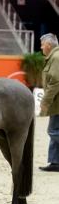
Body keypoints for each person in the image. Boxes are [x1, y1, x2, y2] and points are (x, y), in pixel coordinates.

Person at [39, 33, 59, 172]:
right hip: (56, 103)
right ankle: (55, 162)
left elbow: (56, 81)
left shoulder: (56, 58)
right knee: (55, 130)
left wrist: (45, 101)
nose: (41, 48)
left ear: (49, 45)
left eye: (42, 45)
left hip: (57, 103)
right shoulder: (54, 57)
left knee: (53, 131)